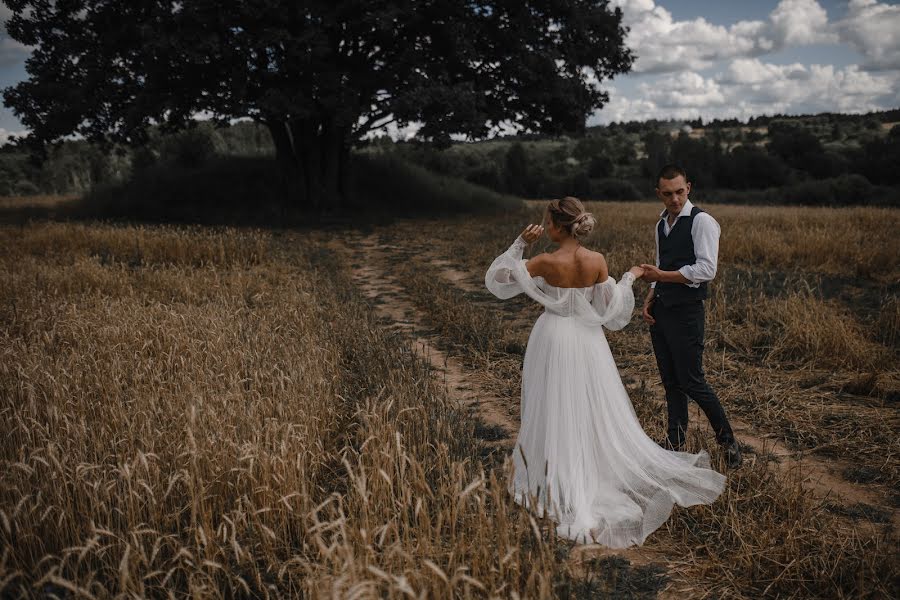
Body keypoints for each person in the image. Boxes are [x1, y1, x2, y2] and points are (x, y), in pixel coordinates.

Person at [485, 196, 726, 548]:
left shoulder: (543, 260)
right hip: (588, 339)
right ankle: (591, 468)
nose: (544, 226)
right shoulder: (596, 260)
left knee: (553, 402)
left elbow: (499, 279)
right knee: (590, 405)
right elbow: (609, 307)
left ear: (555, 226)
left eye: (546, 222)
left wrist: (522, 242)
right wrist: (629, 277)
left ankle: (557, 473)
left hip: (552, 337)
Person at [639, 164, 742, 468]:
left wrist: (661, 276)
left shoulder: (702, 221)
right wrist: (651, 293)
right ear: (659, 193)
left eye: (680, 191)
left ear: (689, 188)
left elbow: (706, 270)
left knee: (693, 381)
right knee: (670, 382)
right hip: (662, 310)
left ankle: (729, 443)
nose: (674, 199)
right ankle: (675, 442)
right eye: (668, 193)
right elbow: (661, 264)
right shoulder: (661, 225)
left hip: (686, 312)